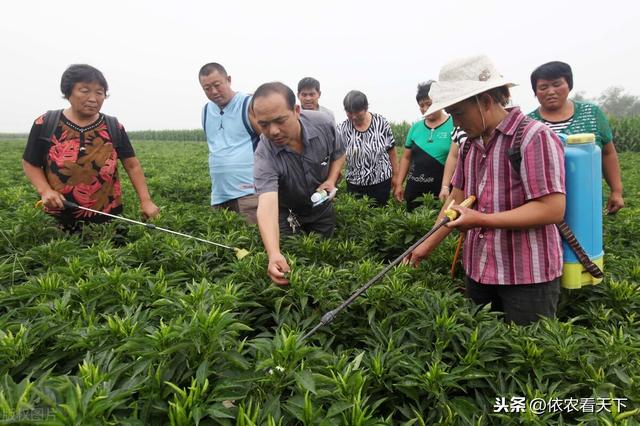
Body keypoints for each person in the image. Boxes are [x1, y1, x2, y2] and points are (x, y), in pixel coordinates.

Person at [405, 55, 566, 325]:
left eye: (458, 113)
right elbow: (456, 200)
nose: (455, 123)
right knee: (481, 353)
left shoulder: (533, 137)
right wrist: (426, 245)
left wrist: (481, 220)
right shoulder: (470, 145)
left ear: (485, 102)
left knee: (523, 356)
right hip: (479, 272)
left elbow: (551, 208)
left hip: (526, 278)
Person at [23, 64, 159, 231]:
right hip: (57, 216)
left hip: (109, 218)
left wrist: (145, 200)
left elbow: (132, 165)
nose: (93, 98)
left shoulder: (113, 126)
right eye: (85, 90)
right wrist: (44, 190)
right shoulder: (45, 123)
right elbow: (31, 162)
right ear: (68, 92)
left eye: (99, 92)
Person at [252, 82, 345, 285]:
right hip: (288, 213)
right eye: (264, 124)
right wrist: (274, 253)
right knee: (291, 266)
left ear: (296, 111)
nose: (273, 131)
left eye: (279, 120)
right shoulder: (264, 153)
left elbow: (339, 153)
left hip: (320, 207)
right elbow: (267, 205)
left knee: (323, 258)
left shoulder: (323, 124)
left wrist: (330, 179)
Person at [528, 61, 624, 214]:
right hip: (545, 204)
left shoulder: (591, 113)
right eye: (543, 87)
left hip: (588, 197)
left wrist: (616, 191)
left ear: (569, 85)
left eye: (557, 84)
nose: (551, 91)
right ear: (535, 92)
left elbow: (608, 153)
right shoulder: (529, 124)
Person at [199, 62, 260, 224]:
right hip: (219, 196)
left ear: (229, 80)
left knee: (252, 242)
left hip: (250, 194)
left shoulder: (248, 104)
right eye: (207, 88)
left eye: (217, 85)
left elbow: (270, 143)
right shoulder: (206, 111)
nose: (213, 91)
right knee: (224, 242)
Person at [394, 81, 455, 211]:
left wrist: (445, 187)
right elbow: (406, 158)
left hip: (442, 191)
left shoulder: (453, 124)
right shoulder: (415, 128)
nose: (425, 109)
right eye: (422, 105)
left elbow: (455, 157)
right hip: (415, 190)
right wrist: (399, 184)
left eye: (429, 104)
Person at [337, 90, 398, 206]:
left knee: (379, 216)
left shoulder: (381, 122)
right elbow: (339, 156)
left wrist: (396, 176)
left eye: (357, 112)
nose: (354, 116)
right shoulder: (343, 128)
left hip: (381, 182)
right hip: (355, 184)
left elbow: (392, 151)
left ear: (366, 108)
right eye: (349, 112)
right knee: (357, 217)